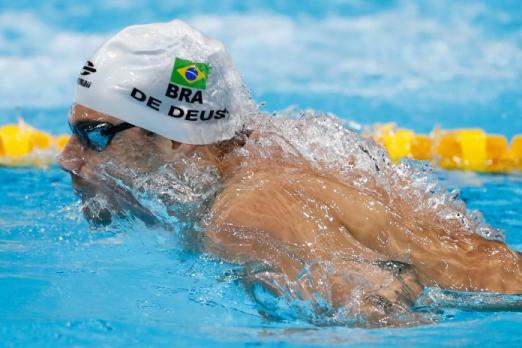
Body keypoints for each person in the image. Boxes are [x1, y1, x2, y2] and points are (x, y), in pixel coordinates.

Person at [59, 20, 522, 326]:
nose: (67, 158)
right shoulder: (270, 152)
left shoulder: (242, 214)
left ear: (176, 138)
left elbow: (383, 303)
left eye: (95, 136)